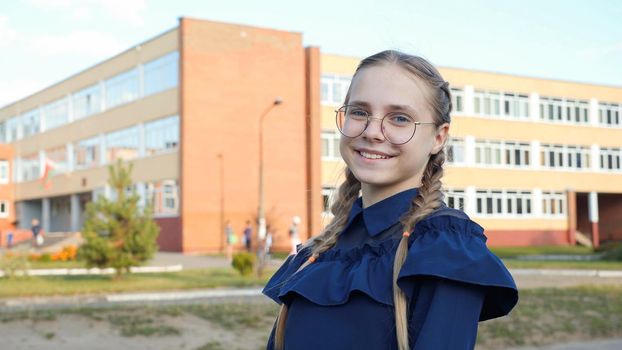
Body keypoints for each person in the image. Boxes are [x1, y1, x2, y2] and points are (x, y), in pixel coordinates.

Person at [262, 50, 518, 350]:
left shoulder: (443, 249)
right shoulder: (321, 251)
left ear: (439, 137)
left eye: (399, 118)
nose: (372, 132)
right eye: (359, 112)